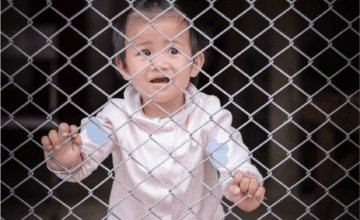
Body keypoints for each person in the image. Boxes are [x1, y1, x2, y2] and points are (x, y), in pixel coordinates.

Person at [42, 0, 266, 219]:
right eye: (145, 53)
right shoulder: (114, 117)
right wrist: (68, 161)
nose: (159, 63)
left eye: (173, 51)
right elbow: (87, 150)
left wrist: (242, 183)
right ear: (124, 67)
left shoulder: (207, 114)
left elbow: (227, 153)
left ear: (195, 63)